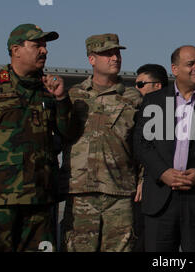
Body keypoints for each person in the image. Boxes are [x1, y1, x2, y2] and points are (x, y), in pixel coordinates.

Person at [0, 23, 73, 252]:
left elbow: (69, 133)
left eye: (45, 46)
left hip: (40, 200)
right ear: (16, 50)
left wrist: (61, 99)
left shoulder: (48, 87)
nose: (44, 51)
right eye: (37, 45)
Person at [133, 45, 195, 252]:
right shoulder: (154, 101)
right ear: (175, 69)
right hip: (161, 200)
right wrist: (163, 173)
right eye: (191, 63)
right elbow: (143, 144)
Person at [59, 33, 142, 252]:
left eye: (117, 53)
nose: (115, 58)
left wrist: (143, 179)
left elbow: (143, 145)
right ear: (92, 59)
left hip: (120, 192)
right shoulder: (73, 95)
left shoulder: (133, 98)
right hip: (80, 192)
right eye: (107, 54)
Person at [133, 63, 168, 252]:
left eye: (140, 84)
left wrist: (143, 179)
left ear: (157, 86)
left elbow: (155, 151)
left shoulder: (167, 115)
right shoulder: (138, 109)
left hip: (153, 189)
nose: (136, 88)